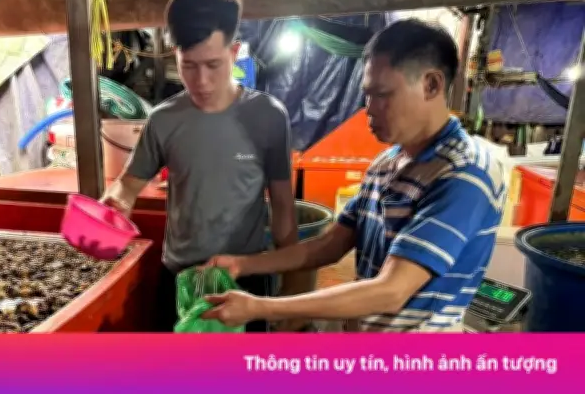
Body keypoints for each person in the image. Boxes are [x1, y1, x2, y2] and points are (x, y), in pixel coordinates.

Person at [202, 19, 507, 333]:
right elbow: (330, 245)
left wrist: (260, 307)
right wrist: (243, 264)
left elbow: (391, 291)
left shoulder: (463, 174)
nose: (369, 109)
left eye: (382, 94)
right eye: (367, 95)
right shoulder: (386, 164)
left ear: (431, 85)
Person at [99, 0, 301, 332]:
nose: (202, 81)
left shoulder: (268, 117)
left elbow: (283, 206)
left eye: (213, 64)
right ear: (174, 54)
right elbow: (127, 186)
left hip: (243, 280)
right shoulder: (163, 120)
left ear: (234, 52)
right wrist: (116, 203)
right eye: (189, 65)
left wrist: (293, 290)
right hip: (181, 279)